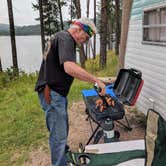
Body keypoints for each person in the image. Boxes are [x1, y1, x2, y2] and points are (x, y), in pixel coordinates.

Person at [35, 17, 106, 166]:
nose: (84, 41)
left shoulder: (59, 37)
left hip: (54, 93)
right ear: (78, 29)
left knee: (61, 128)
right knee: (58, 135)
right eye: (85, 37)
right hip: (52, 94)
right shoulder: (66, 38)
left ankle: (64, 153)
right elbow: (69, 67)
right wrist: (96, 80)